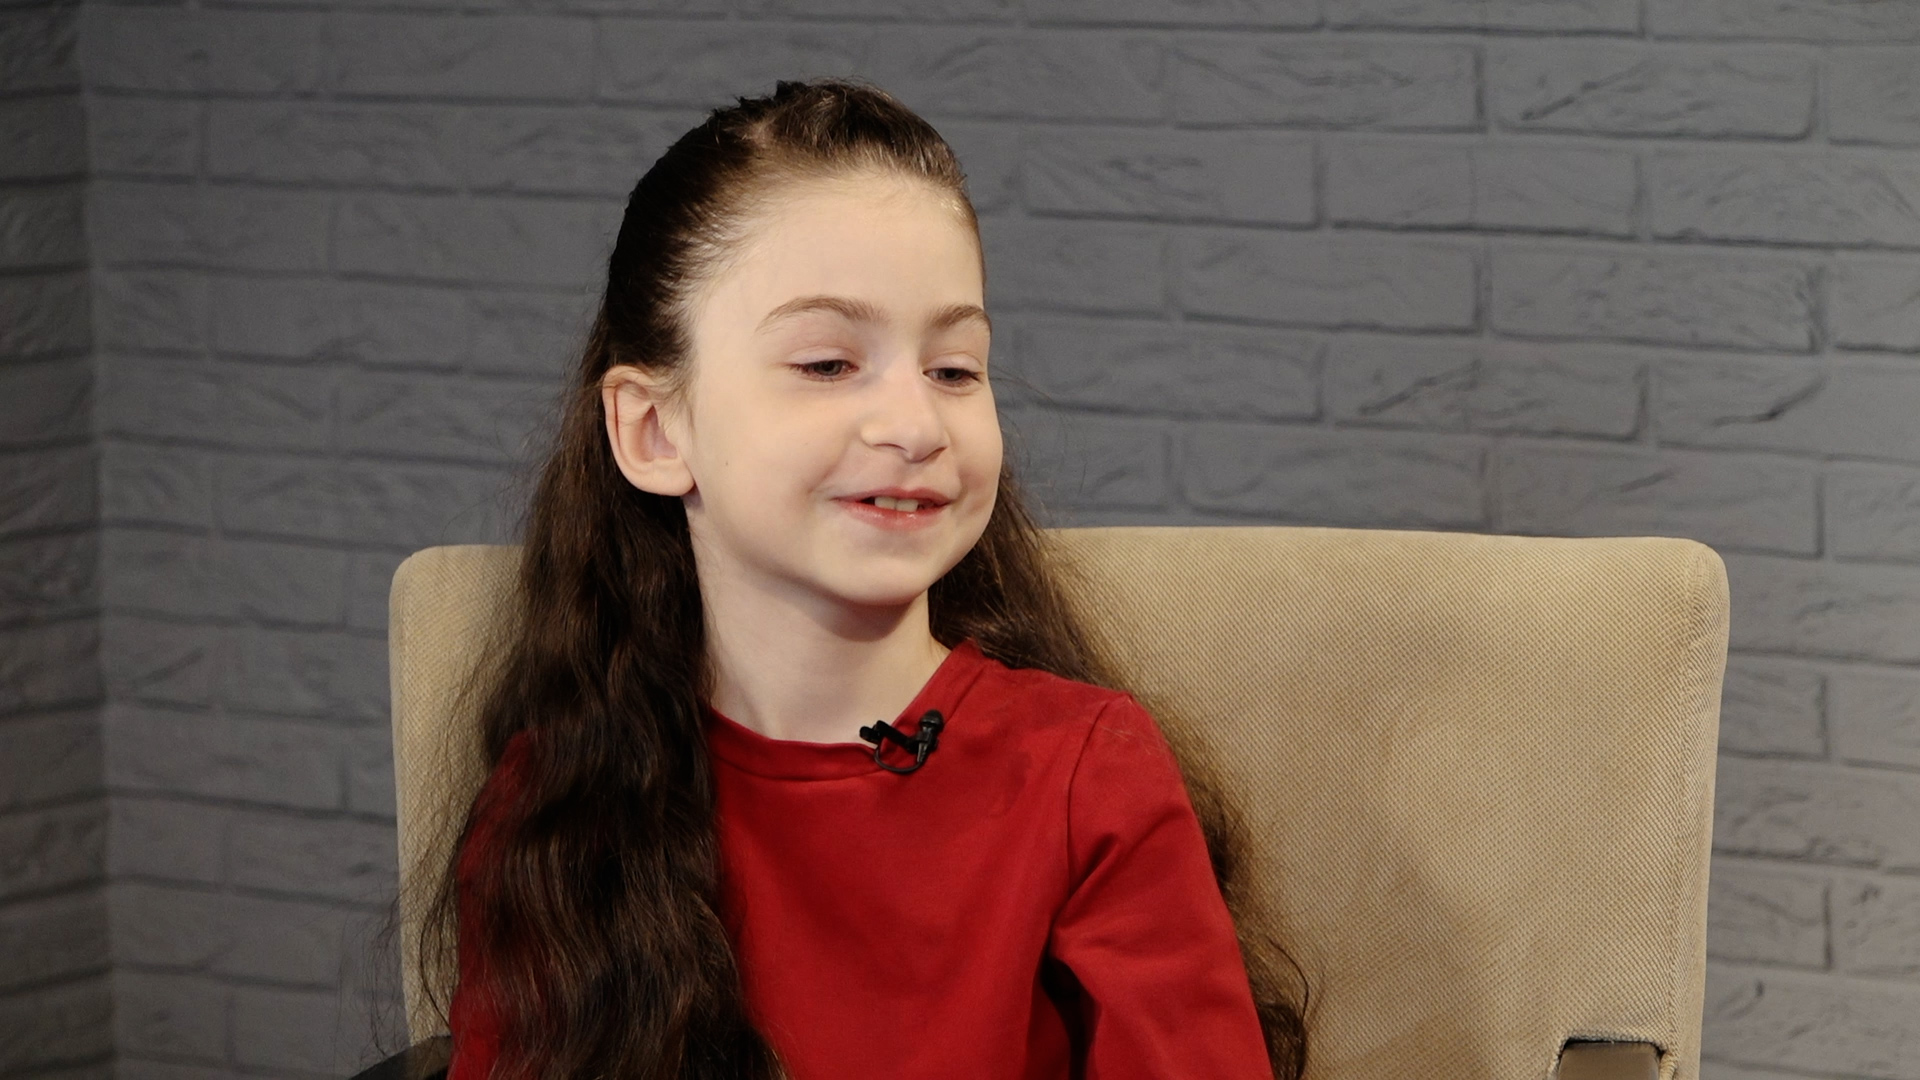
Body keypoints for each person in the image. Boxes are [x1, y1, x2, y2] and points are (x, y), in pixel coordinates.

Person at [421, 77, 1309, 1080]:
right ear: (656, 429)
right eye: (828, 364)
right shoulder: (556, 801)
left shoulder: (1086, 777)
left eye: (954, 369)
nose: (916, 425)